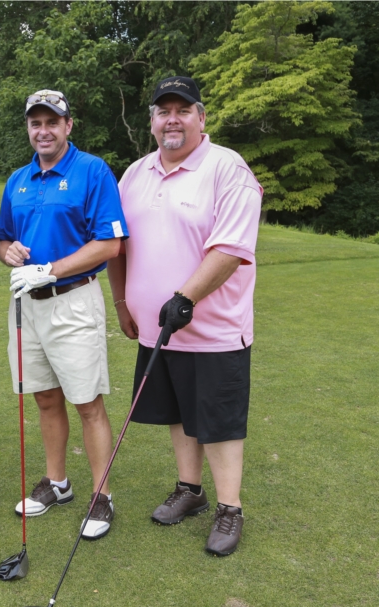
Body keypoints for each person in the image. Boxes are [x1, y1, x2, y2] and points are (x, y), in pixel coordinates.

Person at [108, 76, 262, 556]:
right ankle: (190, 491)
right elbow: (117, 245)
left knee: (217, 421)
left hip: (214, 330)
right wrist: (122, 303)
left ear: (201, 117)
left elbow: (231, 248)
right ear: (151, 121)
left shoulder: (226, 168)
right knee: (178, 414)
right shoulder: (134, 173)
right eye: (162, 111)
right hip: (157, 331)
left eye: (182, 109)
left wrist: (185, 296)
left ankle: (230, 509)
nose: (171, 119)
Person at [0, 90, 128, 540]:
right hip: (26, 305)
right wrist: (8, 251)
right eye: (35, 123)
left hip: (72, 299)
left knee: (87, 403)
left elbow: (109, 244)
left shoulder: (92, 171)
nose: (43, 130)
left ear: (68, 126)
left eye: (52, 122)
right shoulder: (18, 179)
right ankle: (58, 483)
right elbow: (3, 241)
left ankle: (102, 495)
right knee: (45, 398)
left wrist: (50, 269)